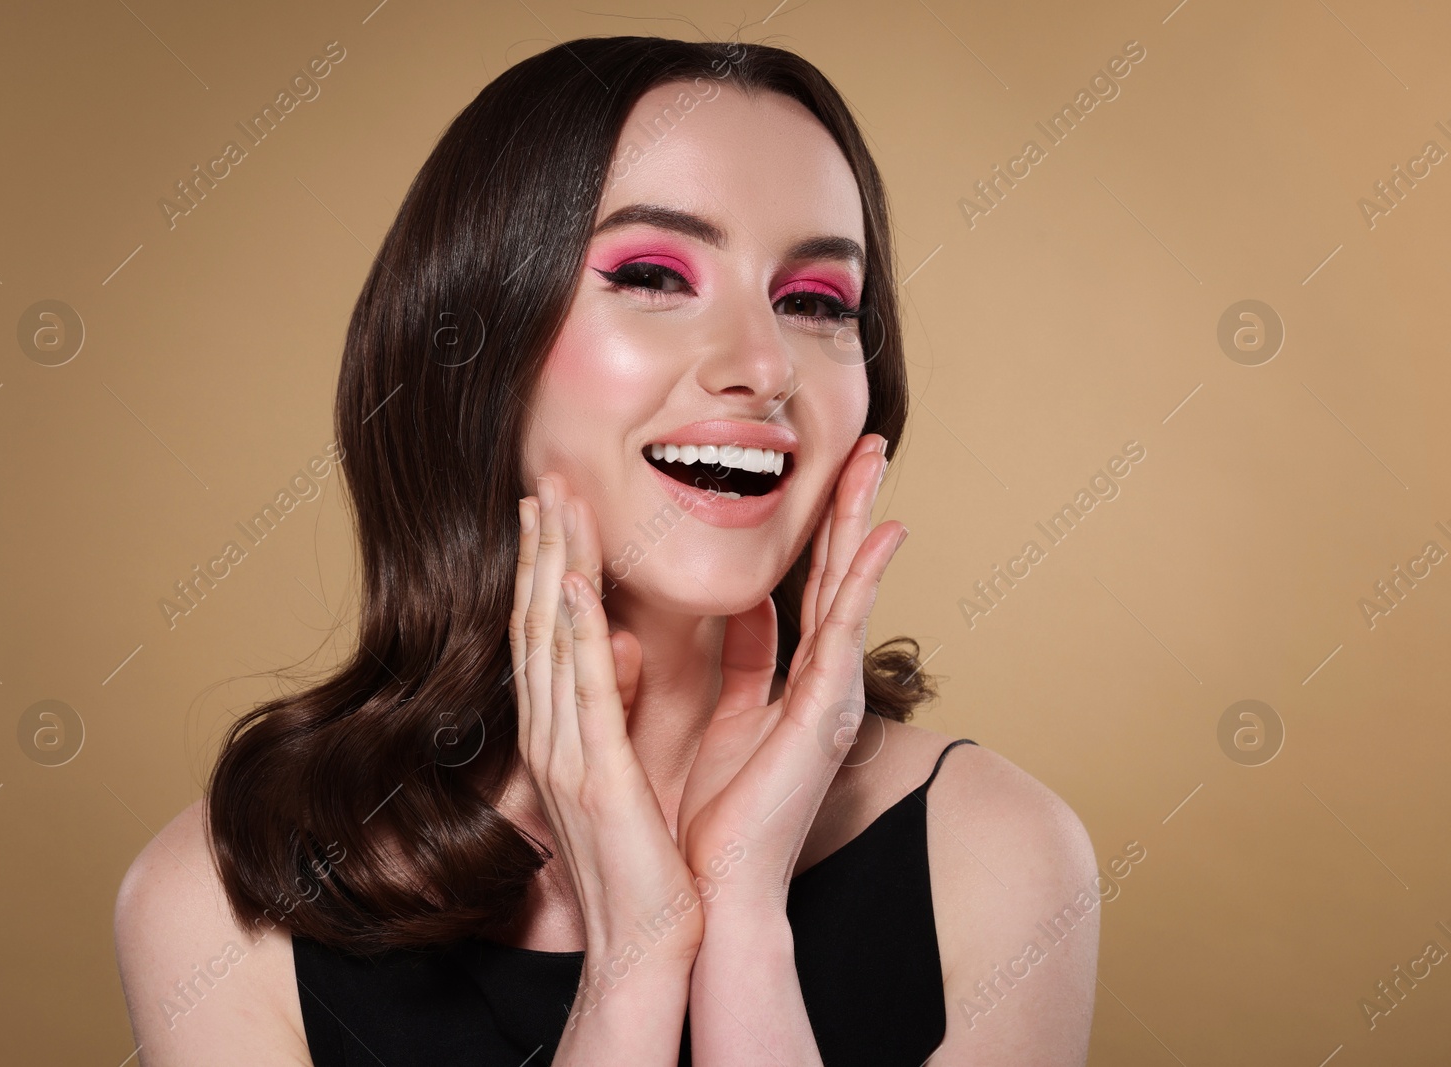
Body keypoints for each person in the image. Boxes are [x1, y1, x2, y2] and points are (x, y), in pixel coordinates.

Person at [114, 35, 1099, 1066]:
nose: (763, 366)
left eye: (814, 301)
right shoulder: (225, 905)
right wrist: (635, 960)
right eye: (652, 274)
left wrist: (743, 927)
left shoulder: (997, 855)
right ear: (473, 347)